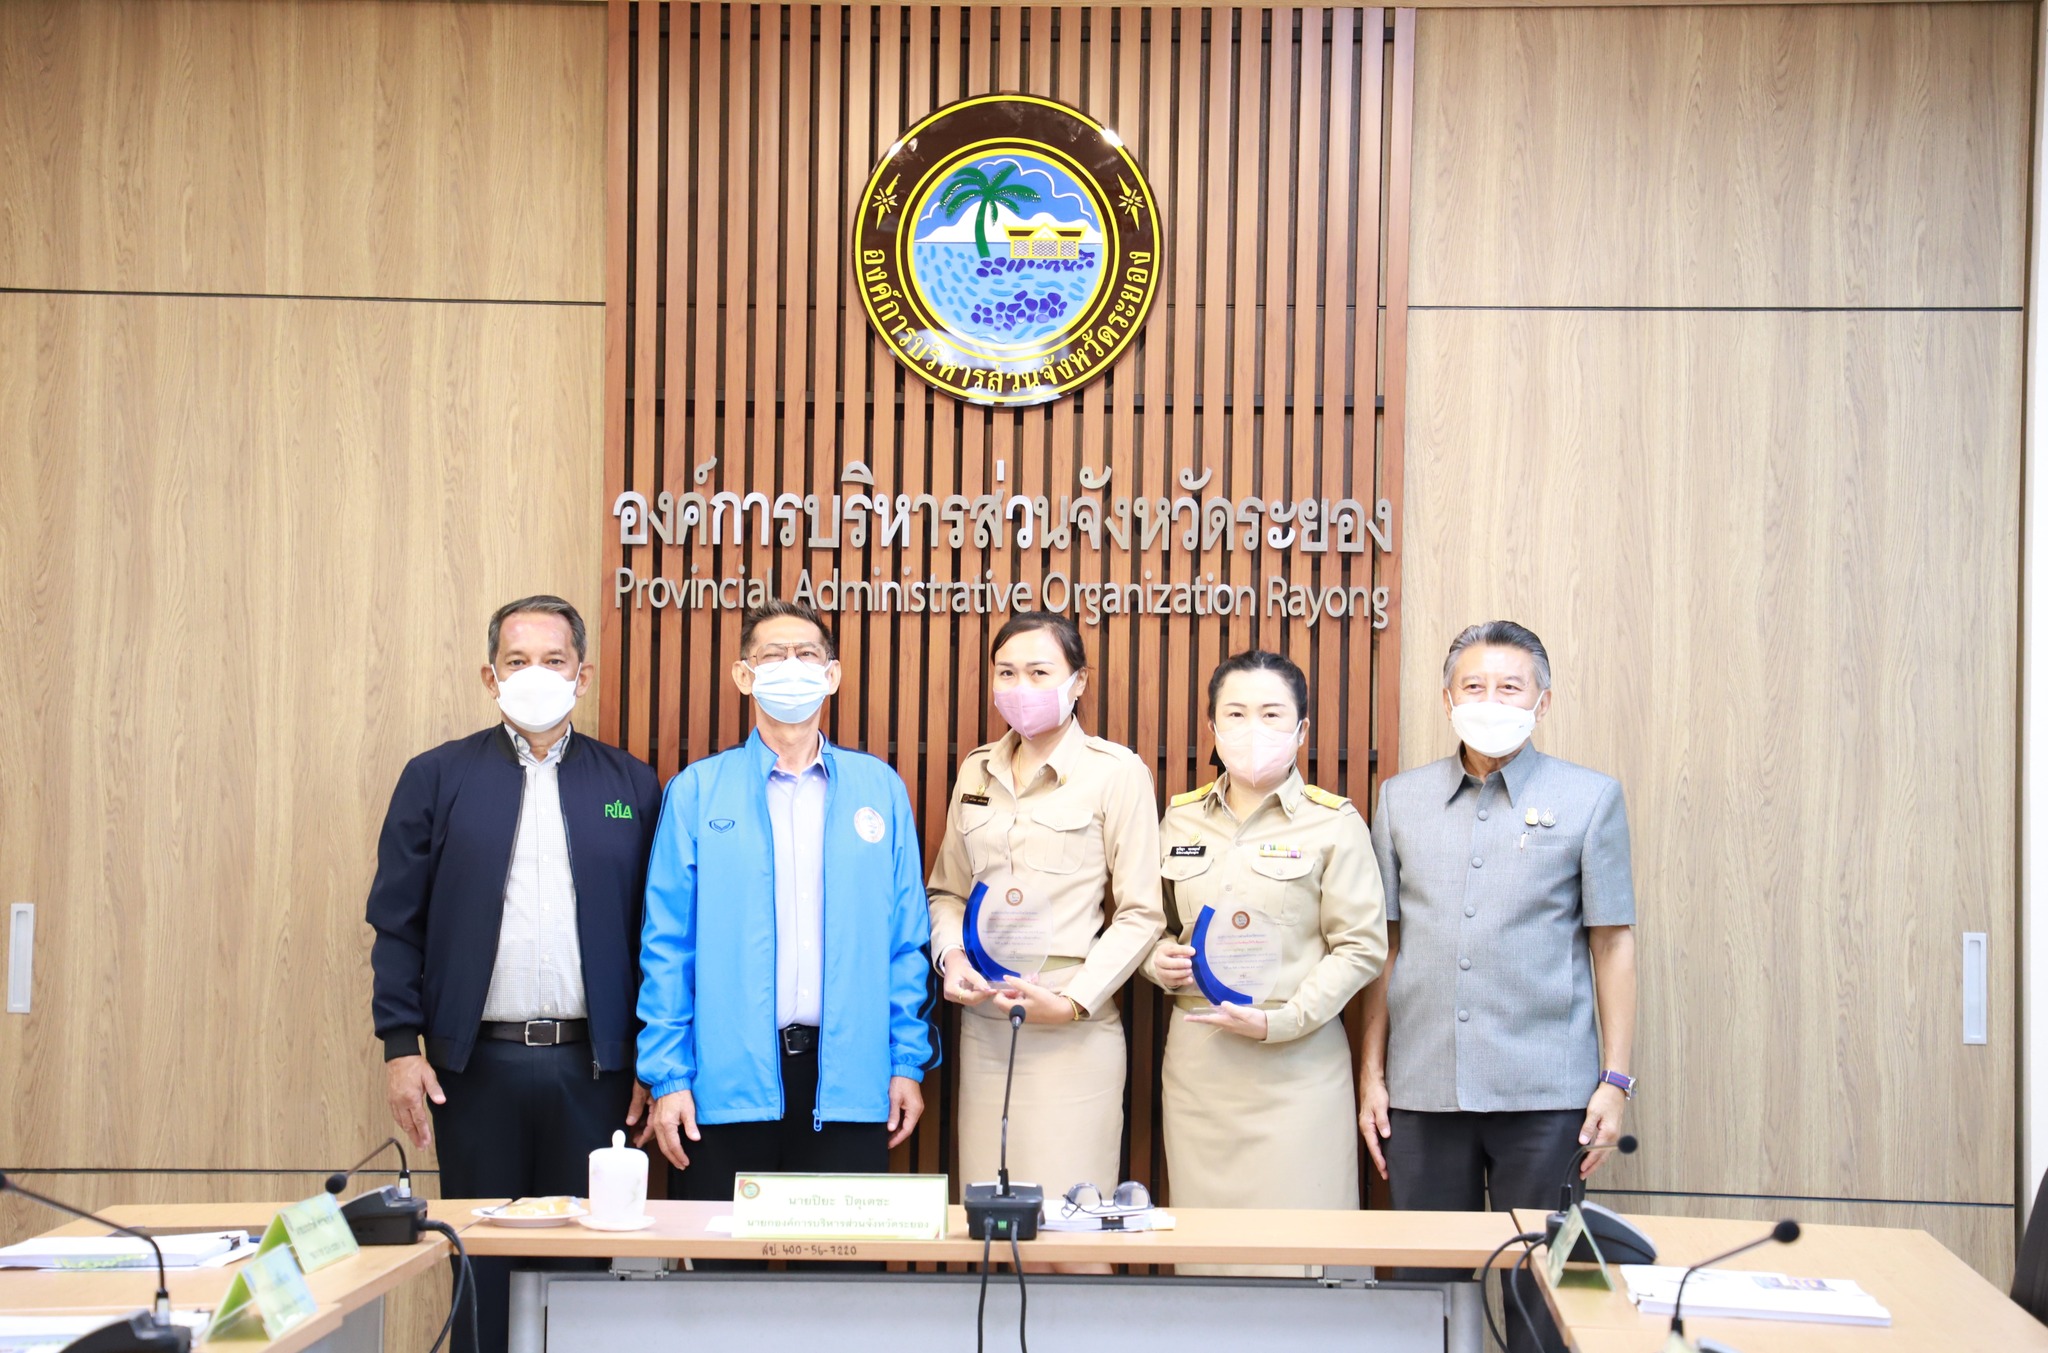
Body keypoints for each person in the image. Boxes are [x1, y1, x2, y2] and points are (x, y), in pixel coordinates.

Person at [366, 595, 661, 1353]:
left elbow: (659, 935)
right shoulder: (436, 778)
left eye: (554, 660)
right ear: (490, 676)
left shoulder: (631, 785)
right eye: (518, 660)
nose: (536, 674)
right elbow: (397, 922)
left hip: (593, 1070)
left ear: (582, 675)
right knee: (481, 1266)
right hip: (474, 1072)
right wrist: (400, 1047)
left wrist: (649, 1061)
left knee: (584, 1268)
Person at [1360, 621, 1638, 1353]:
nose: (1490, 700)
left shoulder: (1590, 798)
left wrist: (1615, 1081)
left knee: (1546, 1289)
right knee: (1423, 1292)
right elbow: (1385, 945)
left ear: (1542, 700)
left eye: (1509, 686)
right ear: (1447, 698)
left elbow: (1612, 943)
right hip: (1423, 1090)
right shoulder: (1400, 799)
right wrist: (1372, 1073)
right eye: (1474, 685)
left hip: (1547, 1094)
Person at [638, 599, 935, 1204]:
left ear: (832, 675)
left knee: (843, 1264)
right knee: (723, 1263)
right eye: (773, 656)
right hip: (724, 1086)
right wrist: (668, 1075)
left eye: (806, 655)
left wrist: (906, 1062)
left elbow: (906, 941)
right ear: (744, 675)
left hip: (851, 1083)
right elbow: (667, 946)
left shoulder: (879, 788)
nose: (791, 667)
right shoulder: (697, 791)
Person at [927, 612, 1165, 1267]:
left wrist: (1076, 999)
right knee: (991, 1237)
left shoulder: (1117, 772)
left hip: (1072, 1032)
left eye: (1039, 672)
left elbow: (1141, 913)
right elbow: (946, 891)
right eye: (1007, 673)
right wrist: (951, 956)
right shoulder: (977, 772)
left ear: (1078, 681)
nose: (1021, 686)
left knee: (1073, 1237)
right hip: (986, 1025)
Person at [1145, 651, 1386, 1274]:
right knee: (1208, 1255)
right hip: (1201, 1068)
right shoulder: (1179, 818)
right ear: (1213, 728)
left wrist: (1284, 1021)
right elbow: (1146, 925)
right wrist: (1155, 960)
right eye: (1236, 713)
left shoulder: (1334, 823)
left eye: (1272, 713)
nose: (1253, 727)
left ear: (1301, 730)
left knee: (1303, 1251)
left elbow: (1361, 947)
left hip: (1296, 1067)